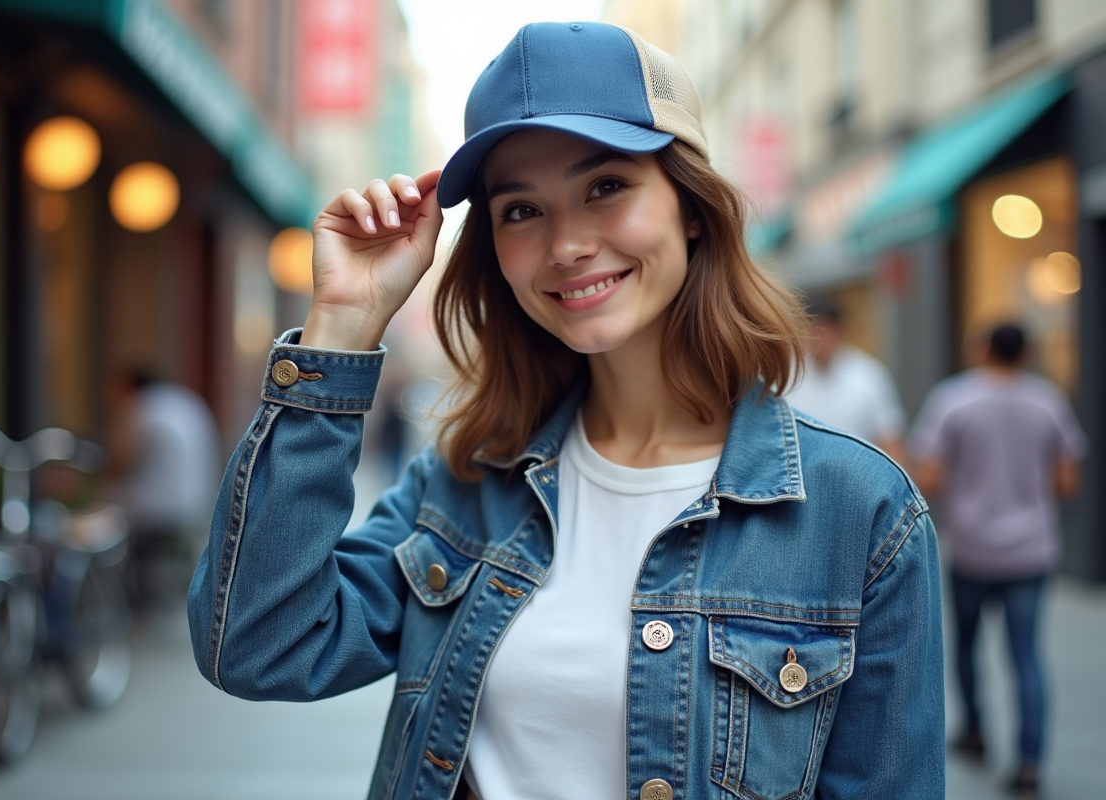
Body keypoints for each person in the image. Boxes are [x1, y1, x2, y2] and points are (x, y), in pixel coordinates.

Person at [188, 22, 944, 800]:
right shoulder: (462, 486)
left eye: (606, 187)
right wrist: (342, 325)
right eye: (521, 211)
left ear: (689, 206)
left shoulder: (861, 515)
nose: (567, 245)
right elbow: (258, 645)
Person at [911, 323, 1085, 798]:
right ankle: (1029, 761)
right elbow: (1068, 481)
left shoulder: (953, 399)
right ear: (1027, 354)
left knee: (965, 645)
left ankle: (974, 732)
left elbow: (929, 476)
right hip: (1032, 548)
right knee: (1026, 654)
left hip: (971, 547)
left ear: (983, 350)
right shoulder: (1049, 401)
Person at [109, 370, 220, 605]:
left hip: (158, 508)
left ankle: (122, 591)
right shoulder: (183, 402)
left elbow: (122, 460)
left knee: (104, 503)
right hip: (198, 502)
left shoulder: (142, 407)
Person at [786, 298, 907, 463]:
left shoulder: (869, 374)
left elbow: (890, 439)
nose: (821, 340)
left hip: (857, 474)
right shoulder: (788, 376)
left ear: (840, 332)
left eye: (827, 331)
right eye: (816, 331)